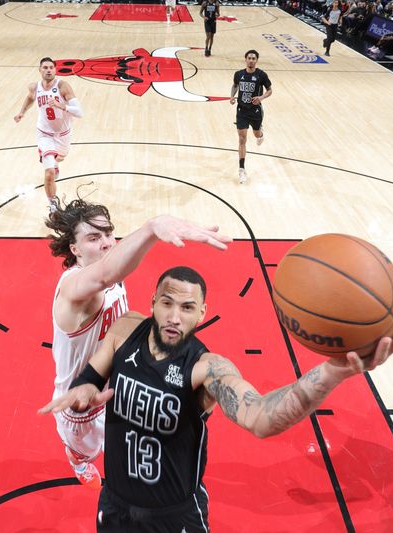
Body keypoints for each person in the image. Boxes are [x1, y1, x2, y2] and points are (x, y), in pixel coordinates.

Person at [41, 266, 393, 532]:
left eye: (187, 309)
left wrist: (333, 373)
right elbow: (91, 375)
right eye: (166, 303)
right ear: (152, 302)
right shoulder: (124, 332)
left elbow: (263, 417)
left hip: (175, 518)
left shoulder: (206, 368)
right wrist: (85, 388)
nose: (173, 317)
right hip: (115, 505)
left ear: (201, 314)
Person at [44, 199, 231, 490]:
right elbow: (106, 273)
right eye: (94, 238)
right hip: (82, 405)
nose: (107, 243)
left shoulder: (112, 275)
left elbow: (117, 290)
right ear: (75, 249)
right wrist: (152, 229)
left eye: (109, 233)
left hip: (120, 390)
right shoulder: (74, 290)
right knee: (88, 452)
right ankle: (77, 459)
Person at [13, 57, 83, 214]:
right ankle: (53, 205)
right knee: (49, 172)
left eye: (51, 67)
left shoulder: (63, 86)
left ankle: (56, 162)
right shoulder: (34, 87)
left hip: (64, 134)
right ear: (40, 70)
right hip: (44, 134)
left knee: (60, 158)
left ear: (55, 70)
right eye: (45, 67)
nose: (48, 70)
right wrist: (22, 113)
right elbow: (31, 98)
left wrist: (62, 106)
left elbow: (80, 112)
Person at [229, 49, 272, 185]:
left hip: (255, 111)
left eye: (254, 58)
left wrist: (261, 97)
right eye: (249, 58)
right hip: (242, 110)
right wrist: (231, 96)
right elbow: (235, 85)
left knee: (256, 134)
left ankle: (260, 134)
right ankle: (242, 169)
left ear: (256, 60)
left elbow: (270, 90)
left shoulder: (261, 75)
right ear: (245, 59)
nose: (251, 60)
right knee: (242, 139)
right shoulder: (239, 74)